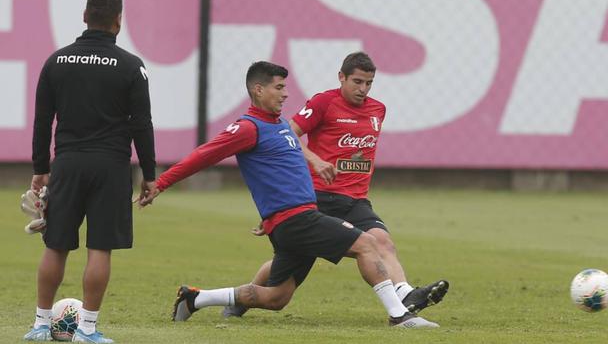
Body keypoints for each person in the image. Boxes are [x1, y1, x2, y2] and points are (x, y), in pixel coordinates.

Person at [140, 61, 437, 328]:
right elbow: (203, 155)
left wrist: (272, 213)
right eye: (279, 88)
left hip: (296, 217)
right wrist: (160, 183)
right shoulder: (248, 127)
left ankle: (195, 298)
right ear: (258, 90)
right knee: (367, 243)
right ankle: (400, 315)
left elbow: (288, 176)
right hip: (296, 220)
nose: (285, 94)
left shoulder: (280, 125)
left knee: (276, 297)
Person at [223, 52, 449, 319]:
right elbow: (288, 133)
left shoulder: (378, 110)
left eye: (369, 83)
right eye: (357, 82)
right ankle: (242, 300)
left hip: (356, 201)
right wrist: (314, 162)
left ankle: (404, 294)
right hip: (317, 197)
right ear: (341, 77)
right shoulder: (323, 102)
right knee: (286, 267)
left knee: (382, 242)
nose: (363, 89)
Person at [24, 0, 157, 343]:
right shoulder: (131, 65)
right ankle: (86, 330)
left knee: (56, 245)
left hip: (67, 163)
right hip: (111, 167)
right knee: (100, 248)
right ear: (118, 20)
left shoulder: (57, 61)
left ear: (85, 17)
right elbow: (141, 124)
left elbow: (42, 120)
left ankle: (39, 325)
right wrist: (149, 174)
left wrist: (40, 168)